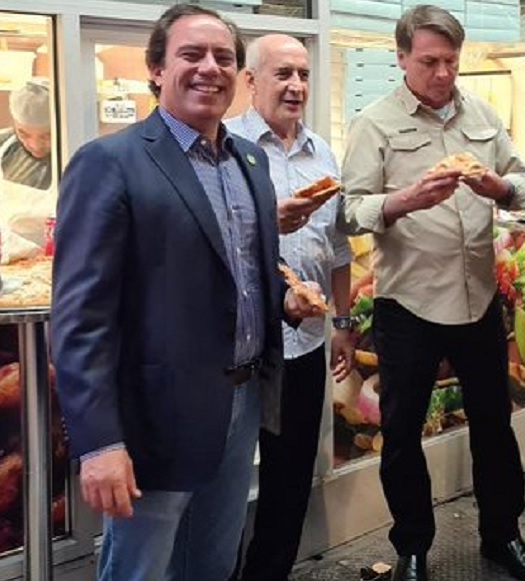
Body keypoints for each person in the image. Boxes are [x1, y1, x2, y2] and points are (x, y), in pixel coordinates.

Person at [51, 4, 321, 579]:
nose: (209, 68)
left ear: (238, 74)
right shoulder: (110, 162)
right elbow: (80, 320)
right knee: (141, 569)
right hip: (156, 417)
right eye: (191, 55)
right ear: (155, 69)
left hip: (242, 404)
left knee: (214, 565)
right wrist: (99, 443)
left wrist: (284, 303)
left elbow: (242, 272)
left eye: (223, 57)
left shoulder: (249, 161)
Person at [340, 5, 525, 581]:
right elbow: (350, 211)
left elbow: (524, 184)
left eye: (451, 62)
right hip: (408, 304)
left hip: (477, 300)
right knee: (402, 435)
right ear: (401, 58)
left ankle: (503, 536)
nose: (442, 73)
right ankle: (411, 549)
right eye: (429, 61)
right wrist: (402, 201)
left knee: (494, 427)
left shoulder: (481, 114)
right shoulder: (374, 123)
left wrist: (499, 186)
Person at [225, 34, 355, 581]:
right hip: (242, 349)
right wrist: (266, 222)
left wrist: (343, 322)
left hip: (303, 347)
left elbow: (338, 248)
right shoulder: (226, 147)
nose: (296, 86)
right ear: (251, 81)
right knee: (226, 480)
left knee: (290, 476)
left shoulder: (321, 151)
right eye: (283, 74)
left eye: (303, 74)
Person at [0, 78, 55, 260]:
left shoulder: (71, 149)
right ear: (14, 123)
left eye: (46, 136)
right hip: (9, 256)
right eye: (23, 133)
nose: (35, 145)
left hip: (58, 257)